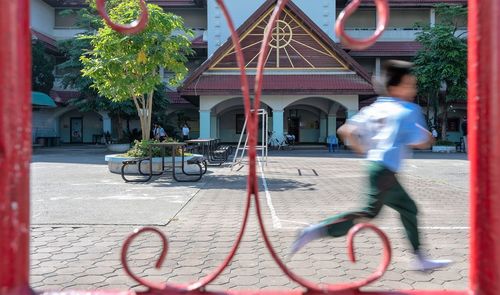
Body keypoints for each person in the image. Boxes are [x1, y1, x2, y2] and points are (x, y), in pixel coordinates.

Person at [290, 60, 452, 271]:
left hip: (376, 167)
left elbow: (345, 130)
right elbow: (420, 141)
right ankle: (316, 230)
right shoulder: (408, 109)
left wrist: (361, 148)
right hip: (385, 171)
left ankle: (419, 257)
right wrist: (428, 138)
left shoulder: (377, 107)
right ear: (395, 87)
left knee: (408, 208)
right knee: (368, 213)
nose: (414, 90)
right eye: (410, 85)